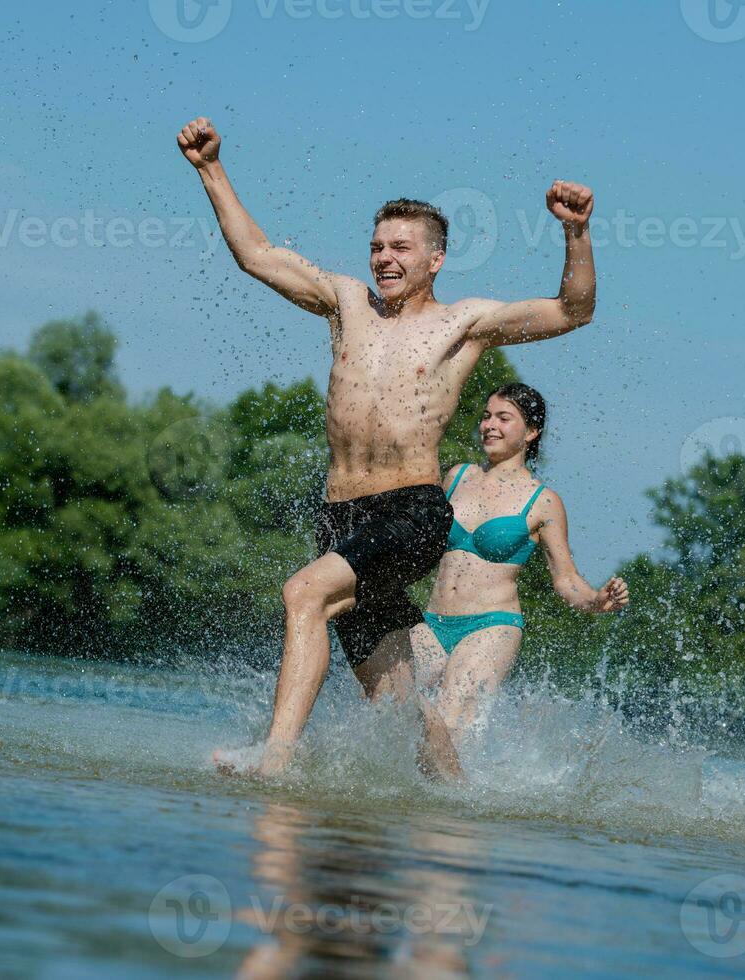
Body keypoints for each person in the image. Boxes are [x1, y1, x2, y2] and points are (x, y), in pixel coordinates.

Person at [176, 117, 599, 776]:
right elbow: (257, 255)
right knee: (398, 707)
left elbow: (573, 311)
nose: (384, 258)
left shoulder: (465, 325)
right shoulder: (346, 303)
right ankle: (454, 798)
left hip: (411, 511)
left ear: (435, 259)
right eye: (377, 246)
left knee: (303, 595)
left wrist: (576, 233)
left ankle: (277, 757)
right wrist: (210, 170)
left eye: (401, 247)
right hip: (342, 516)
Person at [409, 383, 629, 763]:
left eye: (503, 418)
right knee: (387, 704)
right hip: (431, 621)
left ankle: (450, 816)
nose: (489, 425)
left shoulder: (543, 501)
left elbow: (565, 580)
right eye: (486, 416)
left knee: (450, 723)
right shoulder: (456, 477)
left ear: (530, 432)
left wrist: (596, 600)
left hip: (491, 626)